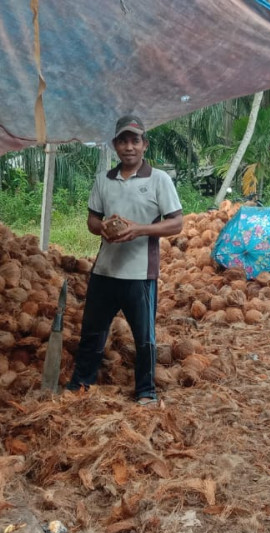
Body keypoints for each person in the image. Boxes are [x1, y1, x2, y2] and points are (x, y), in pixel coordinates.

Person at [65, 115, 183, 404]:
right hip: (105, 271)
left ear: (145, 144)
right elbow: (92, 219)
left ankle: (145, 391)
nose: (129, 147)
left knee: (144, 338)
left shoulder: (159, 180)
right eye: (123, 141)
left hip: (140, 273)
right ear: (115, 145)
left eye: (135, 140)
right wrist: (102, 227)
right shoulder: (104, 180)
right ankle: (81, 384)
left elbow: (176, 224)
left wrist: (138, 230)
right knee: (92, 332)